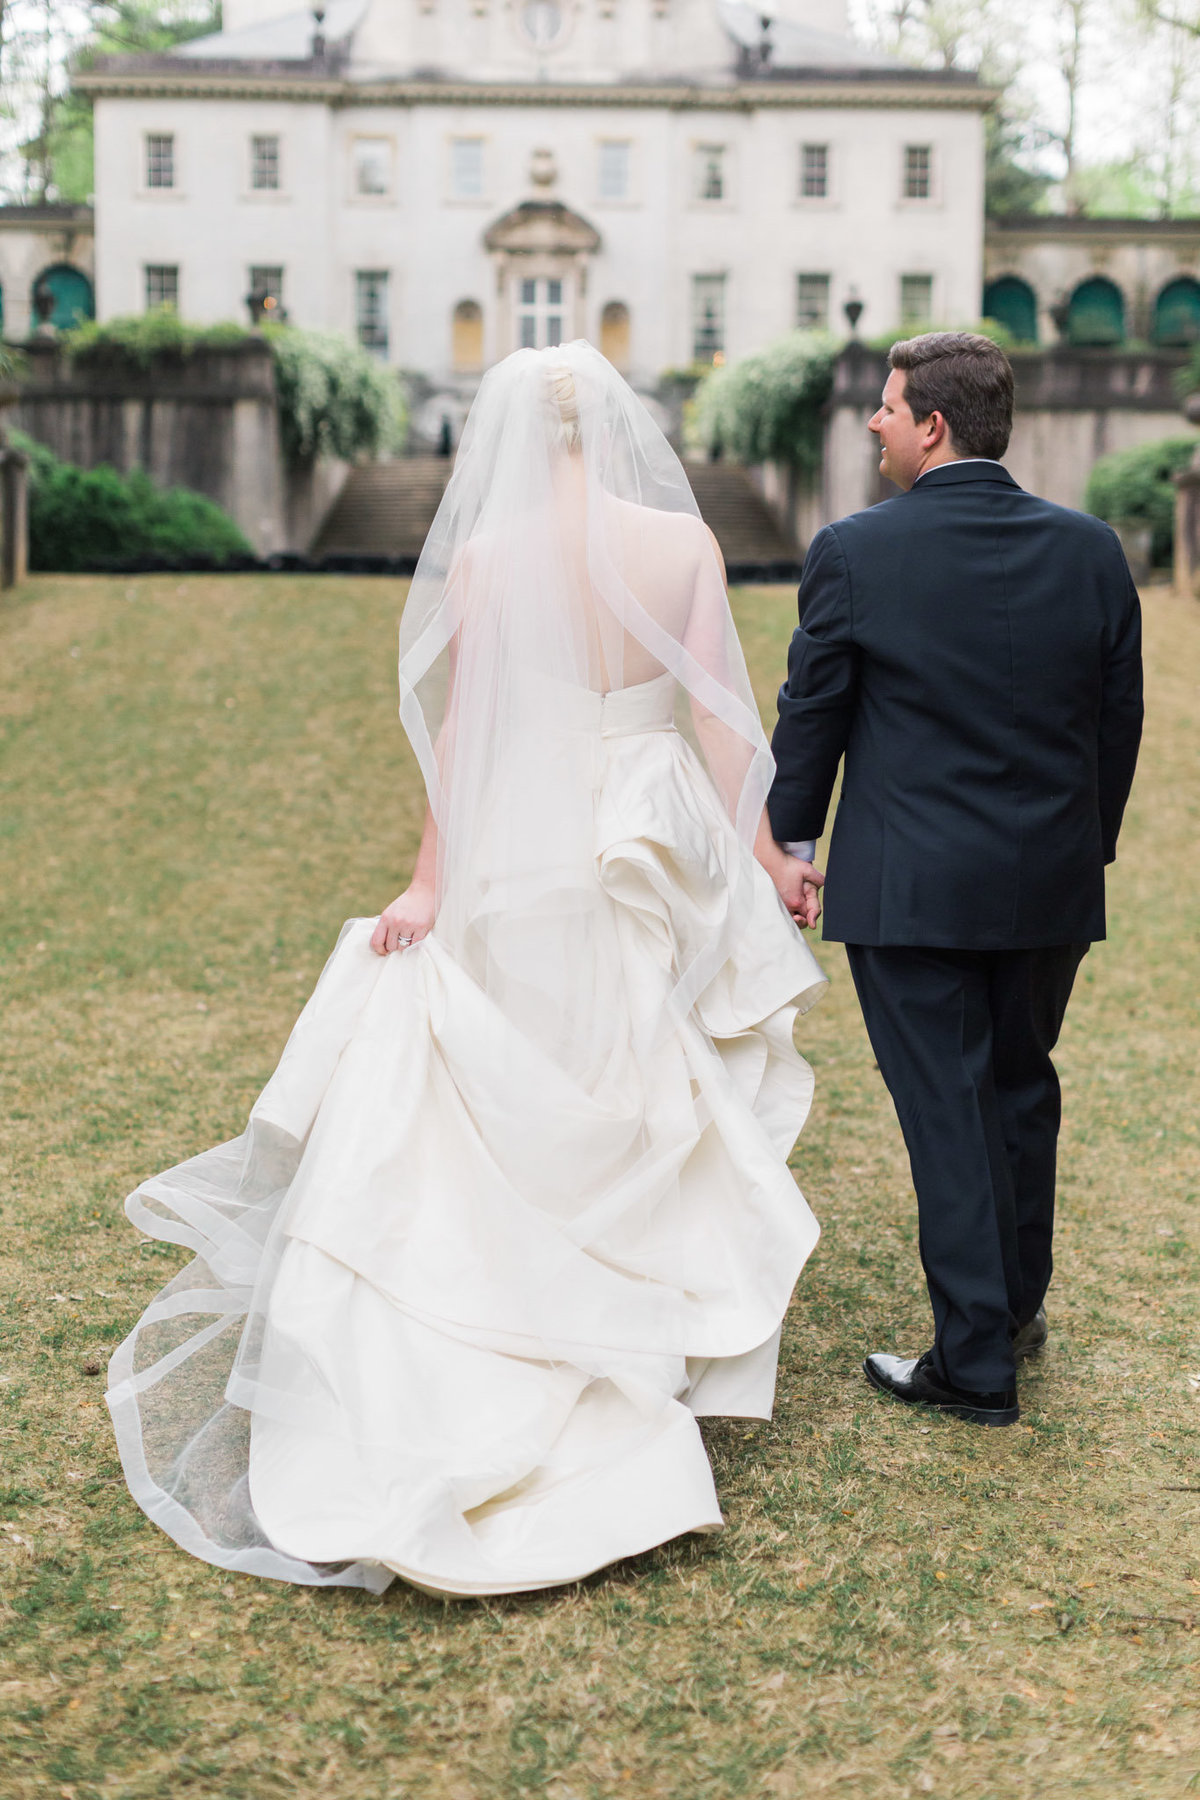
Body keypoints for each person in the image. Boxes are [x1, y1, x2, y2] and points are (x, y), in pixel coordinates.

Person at [106, 342, 828, 1597]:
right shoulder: (683, 546)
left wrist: (432, 882)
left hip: (531, 830)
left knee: (523, 1060)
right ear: (610, 430)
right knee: (645, 1060)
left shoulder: (491, 561)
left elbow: (464, 733)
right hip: (651, 828)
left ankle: (521, 1295)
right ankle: (638, 1319)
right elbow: (722, 715)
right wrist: (766, 857)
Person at [768, 331, 1143, 1429]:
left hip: (914, 887)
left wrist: (791, 844)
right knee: (1020, 1086)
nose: (874, 423)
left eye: (887, 408)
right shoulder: (1091, 549)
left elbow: (814, 719)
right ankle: (1012, 1307)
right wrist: (1090, 844)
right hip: (1050, 880)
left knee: (950, 1110)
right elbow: (1116, 721)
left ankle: (976, 1364)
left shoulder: (853, 551)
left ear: (932, 424)